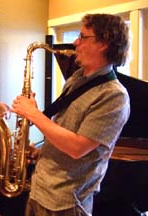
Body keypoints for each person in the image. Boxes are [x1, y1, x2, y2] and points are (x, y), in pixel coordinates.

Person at [11, 13, 130, 216]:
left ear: (103, 43)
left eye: (83, 37)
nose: (76, 42)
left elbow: (77, 148)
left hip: (65, 202)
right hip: (40, 189)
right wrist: (42, 152)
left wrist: (33, 114)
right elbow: (65, 129)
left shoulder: (113, 96)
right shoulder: (76, 79)